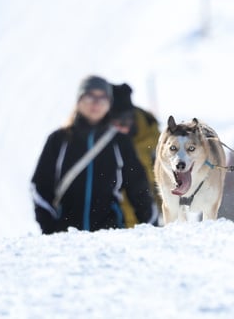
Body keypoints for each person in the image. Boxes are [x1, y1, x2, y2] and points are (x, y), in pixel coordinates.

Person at [31, 76, 157, 234]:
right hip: (65, 238)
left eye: (102, 97)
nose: (96, 103)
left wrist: (152, 228)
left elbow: (138, 188)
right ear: (79, 100)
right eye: (90, 96)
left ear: (109, 103)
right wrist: (50, 228)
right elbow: (40, 187)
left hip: (110, 236)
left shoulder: (119, 142)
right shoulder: (59, 140)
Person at [109, 82, 162, 226]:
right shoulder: (104, 144)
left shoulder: (152, 137)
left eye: (125, 121)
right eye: (115, 123)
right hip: (115, 223)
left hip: (145, 222)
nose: (121, 128)